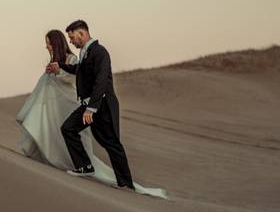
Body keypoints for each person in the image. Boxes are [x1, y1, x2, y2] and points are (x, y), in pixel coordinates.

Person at [16, 23, 168, 198]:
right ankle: (85, 166)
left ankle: (126, 184)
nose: (71, 42)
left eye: (72, 37)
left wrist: (91, 108)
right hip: (91, 105)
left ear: (82, 33)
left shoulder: (100, 52)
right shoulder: (86, 53)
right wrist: (61, 67)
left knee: (111, 143)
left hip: (102, 105)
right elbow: (78, 70)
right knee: (69, 128)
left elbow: (101, 82)